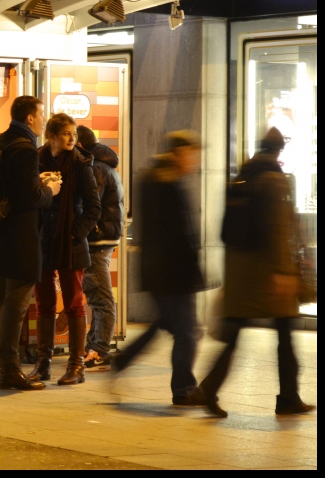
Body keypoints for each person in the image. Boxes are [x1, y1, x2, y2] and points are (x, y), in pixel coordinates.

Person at [199, 128, 315, 418]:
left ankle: (209, 388)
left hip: (241, 272)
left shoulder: (240, 178)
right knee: (286, 335)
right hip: (269, 273)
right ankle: (288, 397)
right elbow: (278, 232)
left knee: (235, 333)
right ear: (279, 151)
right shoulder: (274, 180)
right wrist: (284, 274)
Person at [112, 131, 208, 406]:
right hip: (173, 273)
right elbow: (176, 235)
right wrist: (192, 269)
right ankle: (184, 389)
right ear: (178, 153)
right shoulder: (167, 182)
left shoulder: (153, 179)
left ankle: (124, 360)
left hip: (160, 272)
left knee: (167, 325)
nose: (194, 161)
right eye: (192, 154)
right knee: (187, 331)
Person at [0, 96, 62, 391]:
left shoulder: (0, 141)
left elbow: (11, 188)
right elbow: (29, 198)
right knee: (16, 304)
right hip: (21, 236)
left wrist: (36, 183)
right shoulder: (26, 148)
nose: (44, 119)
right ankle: (11, 370)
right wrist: (50, 190)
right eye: (41, 114)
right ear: (30, 117)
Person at [27, 114, 100, 386]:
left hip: (70, 244)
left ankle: (76, 365)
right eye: (67, 134)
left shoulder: (81, 164)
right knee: (44, 304)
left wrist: (73, 232)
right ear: (52, 136)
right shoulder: (36, 160)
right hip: (42, 239)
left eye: (74, 134)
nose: (72, 139)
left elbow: (94, 208)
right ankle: (43, 364)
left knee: (74, 304)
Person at [76, 125, 124, 369]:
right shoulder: (105, 165)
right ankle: (93, 346)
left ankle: (99, 349)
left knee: (100, 297)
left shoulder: (94, 168)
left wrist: (80, 231)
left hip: (96, 240)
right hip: (103, 239)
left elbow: (89, 206)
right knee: (97, 296)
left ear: (80, 145)